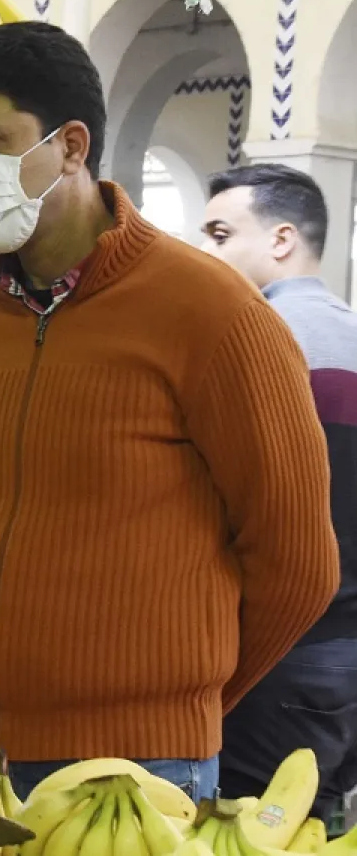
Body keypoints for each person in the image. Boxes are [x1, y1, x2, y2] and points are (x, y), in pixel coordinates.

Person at [0, 21, 337, 800]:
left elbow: (298, 563)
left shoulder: (212, 312)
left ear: (70, 145)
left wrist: (180, 699)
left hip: (134, 762)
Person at [198, 163, 357, 819]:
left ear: (282, 238)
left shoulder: (261, 340)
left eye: (220, 232)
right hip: (343, 658)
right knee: (315, 823)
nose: (207, 251)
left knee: (248, 825)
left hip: (279, 656)